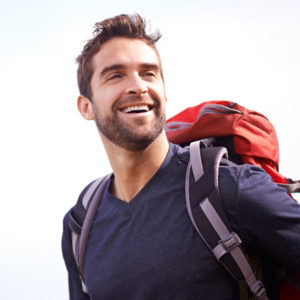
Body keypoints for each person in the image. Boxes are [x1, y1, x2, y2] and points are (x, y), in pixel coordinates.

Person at [61, 13, 300, 300]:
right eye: (116, 75)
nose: (138, 86)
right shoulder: (81, 224)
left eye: (149, 73)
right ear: (86, 107)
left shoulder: (228, 188)